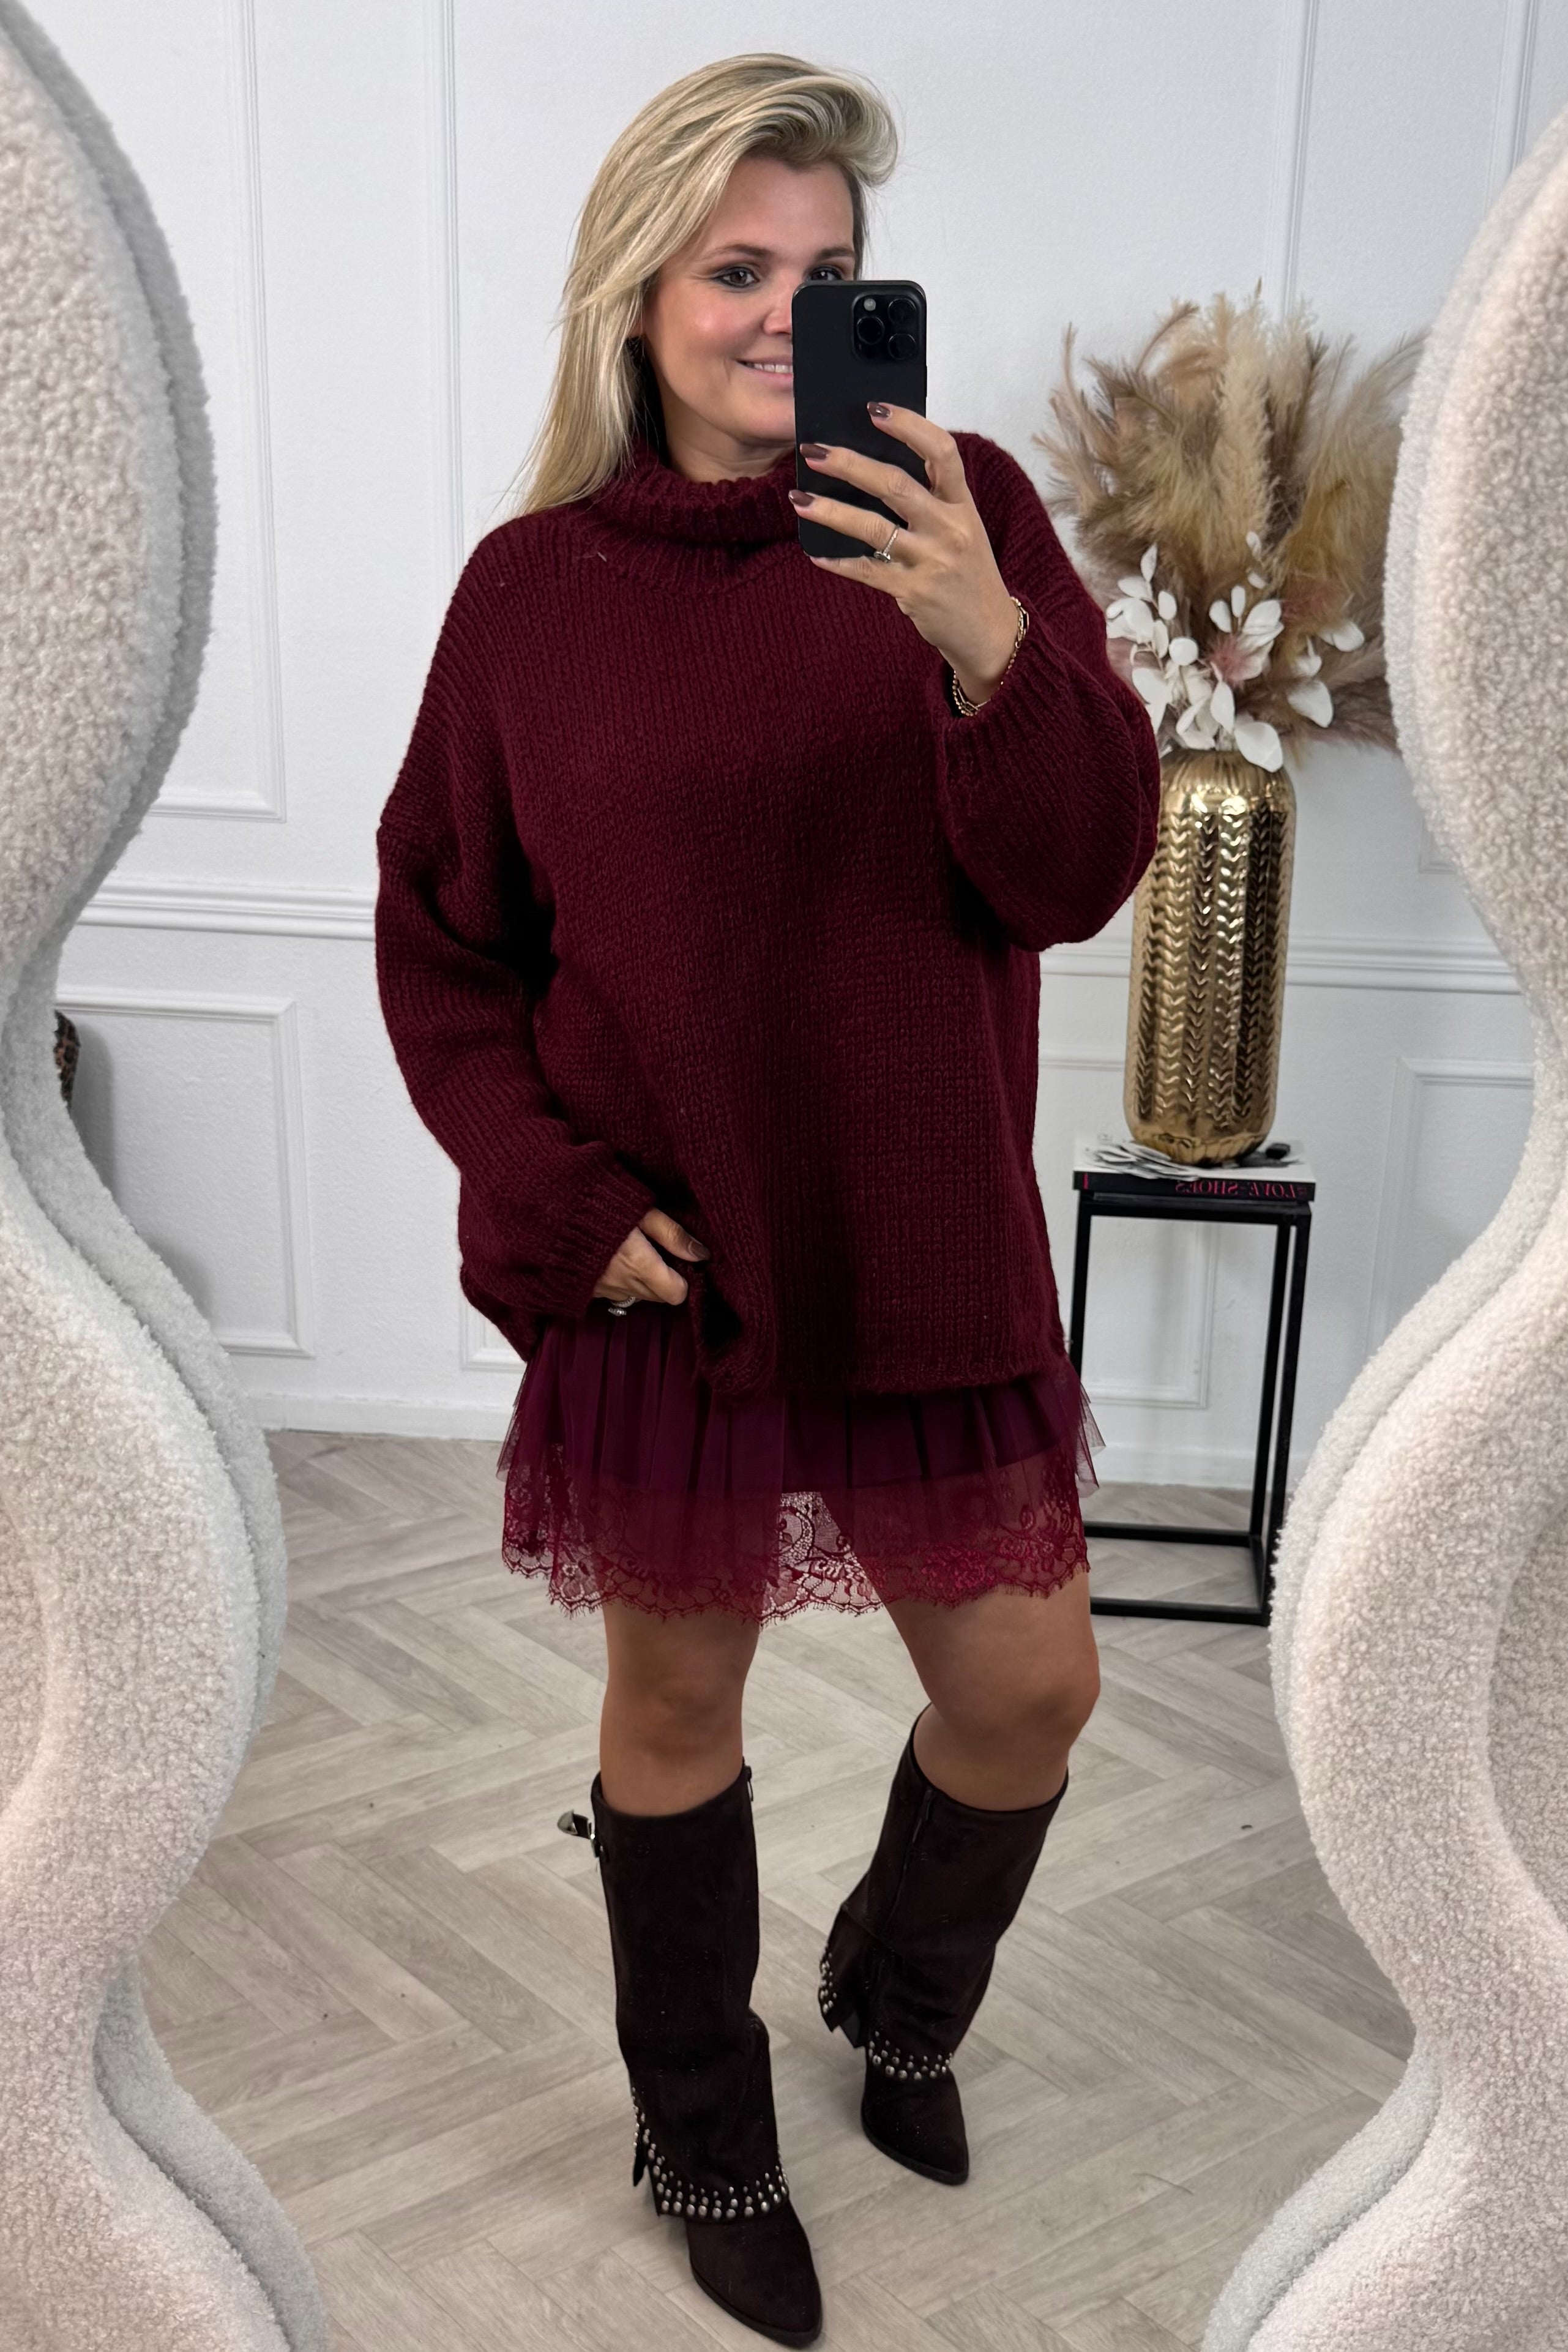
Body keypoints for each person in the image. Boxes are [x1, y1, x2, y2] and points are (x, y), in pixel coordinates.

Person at [373, 50, 1160, 2350]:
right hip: (673, 1272)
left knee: (1027, 1683)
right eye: (735, 269)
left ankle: (892, 1993)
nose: (780, 317)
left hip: (915, 1231)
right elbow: (444, 941)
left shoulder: (962, 511)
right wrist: (553, 1198)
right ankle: (702, 2128)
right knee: (675, 1706)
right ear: (634, 293)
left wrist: (987, 639)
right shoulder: (530, 594)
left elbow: (1078, 869)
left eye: (829, 276)